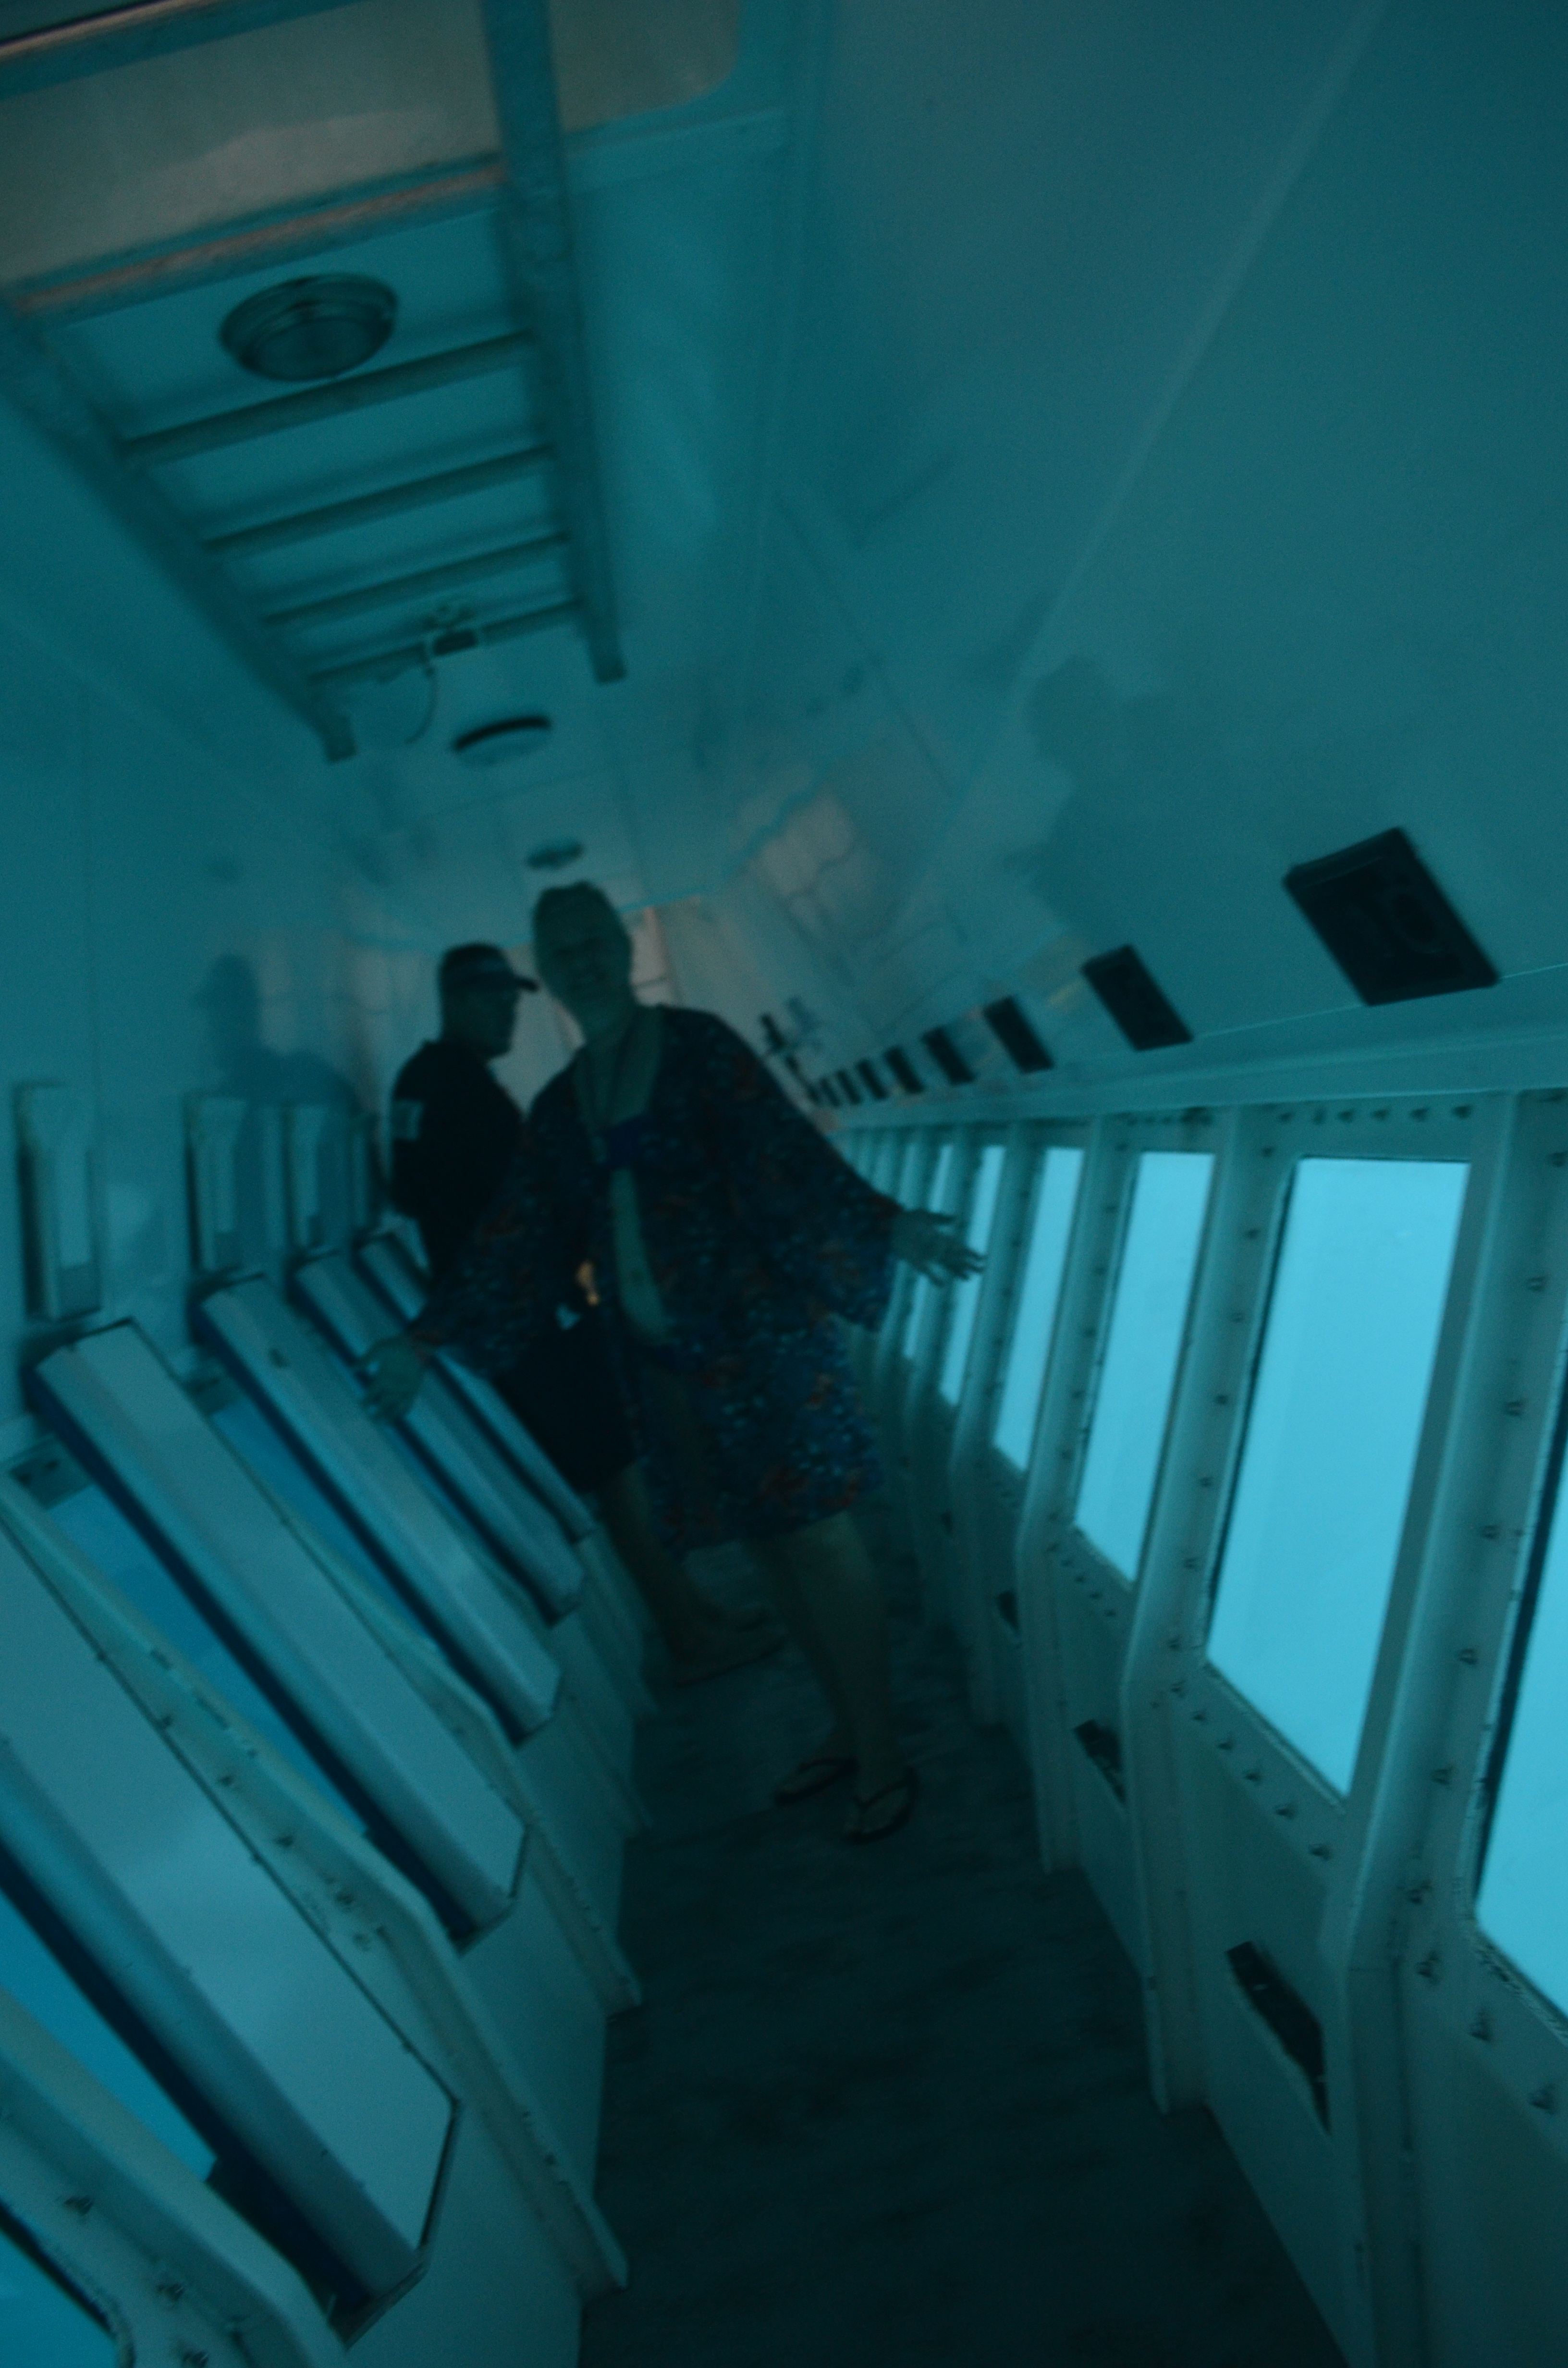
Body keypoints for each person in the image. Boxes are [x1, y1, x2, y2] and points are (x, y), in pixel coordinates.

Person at [365, 885, 979, 1841]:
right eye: (561, 949)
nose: (580, 960)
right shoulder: (562, 1107)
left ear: (621, 948)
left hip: (767, 1345)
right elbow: (513, 1237)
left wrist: (889, 1224)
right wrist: (422, 1338)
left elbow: (788, 1157)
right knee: (768, 1544)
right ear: (547, 968)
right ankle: (845, 1730)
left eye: (592, 941)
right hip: (671, 1367)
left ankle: (883, 1752)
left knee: (820, 1539)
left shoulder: (699, 1049)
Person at [387, 939, 777, 1683]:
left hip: (502, 1319)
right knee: (620, 1475)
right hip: (533, 1322)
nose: (508, 1013)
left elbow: (407, 1196)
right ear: (455, 999)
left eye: (512, 1000)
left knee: (621, 1471)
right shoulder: (466, 1093)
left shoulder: (419, 1083)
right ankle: (690, 1637)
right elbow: (532, 1208)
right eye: (494, 1000)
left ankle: (694, 1612)